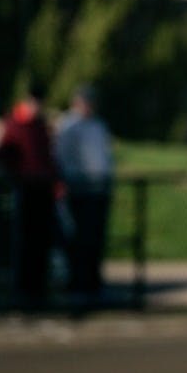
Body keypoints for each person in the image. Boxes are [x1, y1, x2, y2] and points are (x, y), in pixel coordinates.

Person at [0, 80, 59, 311]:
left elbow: (48, 157)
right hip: (25, 188)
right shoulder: (17, 123)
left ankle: (38, 287)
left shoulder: (41, 126)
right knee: (24, 240)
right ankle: (23, 288)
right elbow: (5, 153)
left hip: (43, 188)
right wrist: (15, 175)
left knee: (41, 241)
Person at [55, 85, 115, 310]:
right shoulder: (70, 126)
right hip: (79, 190)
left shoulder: (98, 126)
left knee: (96, 240)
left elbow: (105, 157)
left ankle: (93, 285)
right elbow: (64, 158)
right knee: (79, 241)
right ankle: (78, 286)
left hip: (98, 190)